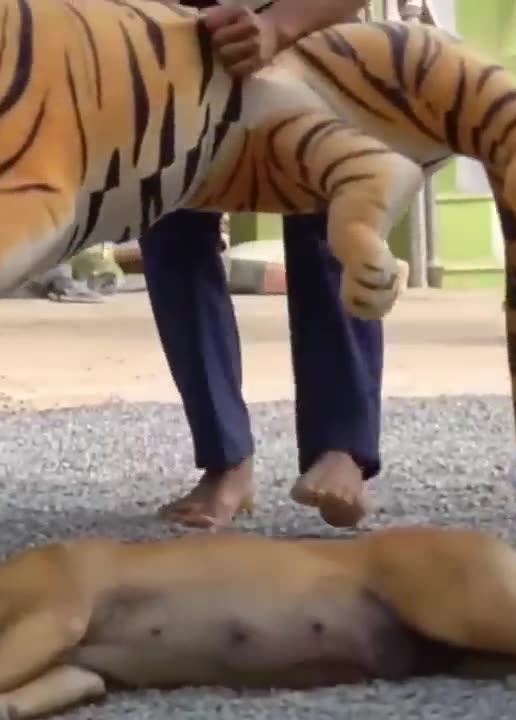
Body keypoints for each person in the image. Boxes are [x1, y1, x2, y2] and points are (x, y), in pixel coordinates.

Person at [142, 0, 384, 530]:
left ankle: (342, 446)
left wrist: (279, 26)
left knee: (331, 219)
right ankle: (225, 457)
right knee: (168, 218)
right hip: (178, 46)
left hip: (315, 41)